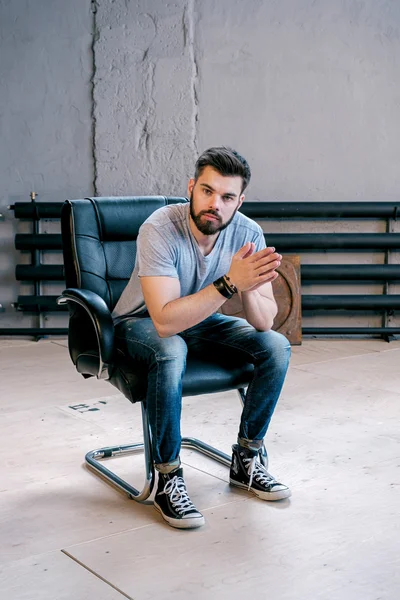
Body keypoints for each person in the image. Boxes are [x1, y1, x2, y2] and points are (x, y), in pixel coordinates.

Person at [112, 146, 291, 529]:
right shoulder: (159, 228)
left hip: (202, 319)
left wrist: (248, 286)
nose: (215, 204)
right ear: (192, 187)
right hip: (140, 323)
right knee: (171, 347)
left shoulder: (249, 233)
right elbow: (163, 322)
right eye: (207, 191)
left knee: (276, 347)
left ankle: (246, 460)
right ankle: (167, 475)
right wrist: (230, 282)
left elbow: (264, 323)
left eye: (227, 197)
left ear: (239, 201)